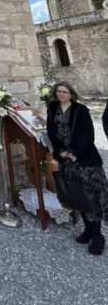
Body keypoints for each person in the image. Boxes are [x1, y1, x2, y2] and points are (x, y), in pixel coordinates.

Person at [46, 81, 108, 255]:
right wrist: (60, 151)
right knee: (78, 196)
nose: (61, 94)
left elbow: (88, 135)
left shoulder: (80, 110)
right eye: (59, 91)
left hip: (84, 160)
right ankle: (88, 230)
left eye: (65, 92)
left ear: (71, 94)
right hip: (66, 159)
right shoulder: (52, 109)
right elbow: (51, 131)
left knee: (91, 198)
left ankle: (98, 236)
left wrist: (74, 153)